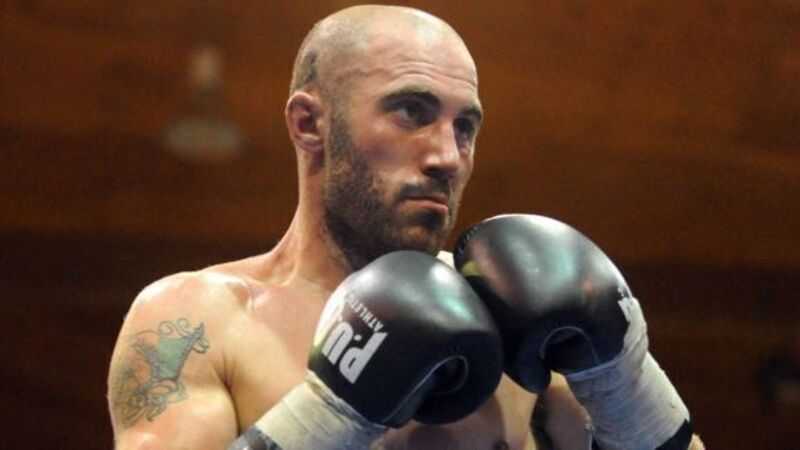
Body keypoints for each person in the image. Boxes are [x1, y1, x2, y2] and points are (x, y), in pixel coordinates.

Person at [107, 5, 704, 449]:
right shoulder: (202, 321)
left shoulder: (512, 314)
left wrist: (622, 377)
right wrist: (330, 414)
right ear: (310, 124)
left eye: (464, 127)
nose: (447, 156)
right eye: (411, 112)